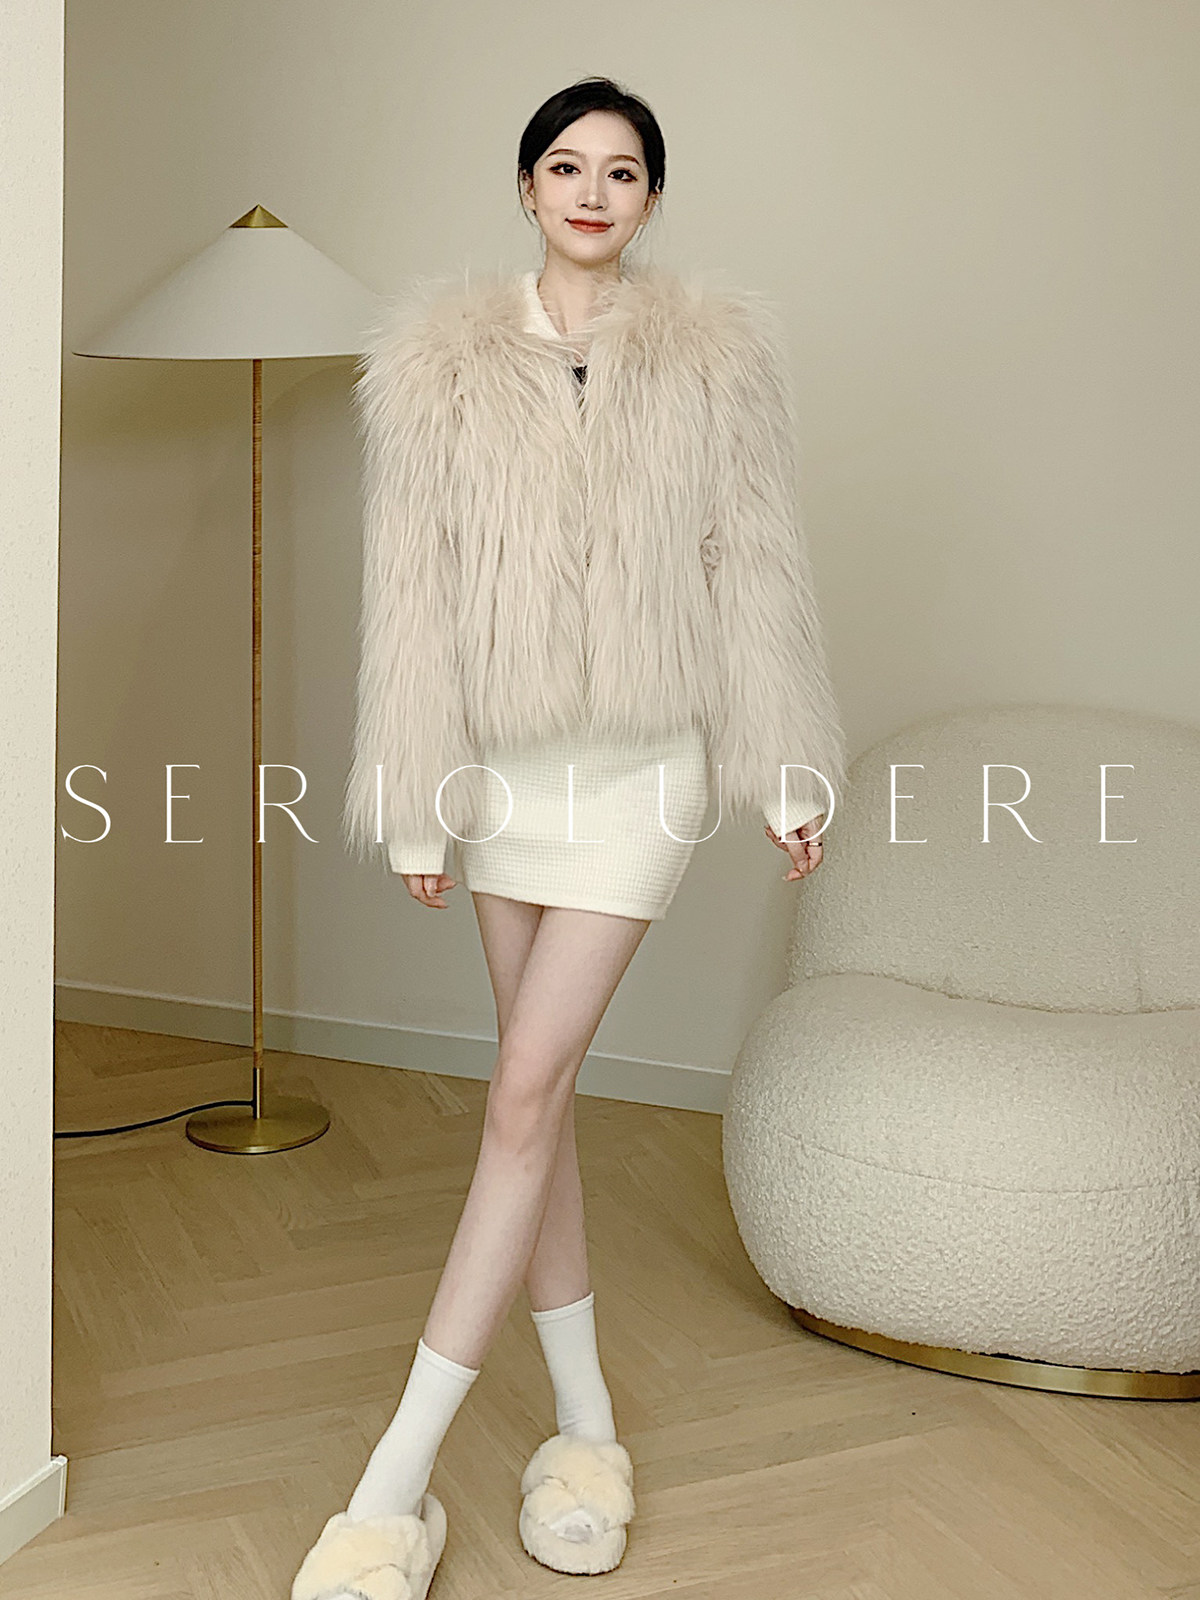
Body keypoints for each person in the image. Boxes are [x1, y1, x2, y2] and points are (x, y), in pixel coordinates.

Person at [292, 75, 847, 1600]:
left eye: (621, 171)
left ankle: (391, 1490)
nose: (592, 191)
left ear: (652, 198)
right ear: (526, 189)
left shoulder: (716, 355)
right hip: (504, 781)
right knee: (534, 1112)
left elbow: (756, 561)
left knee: (523, 1093)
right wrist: (416, 792)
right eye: (565, 166)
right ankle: (588, 1433)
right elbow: (411, 588)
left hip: (646, 775)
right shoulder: (438, 362)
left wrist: (785, 771)